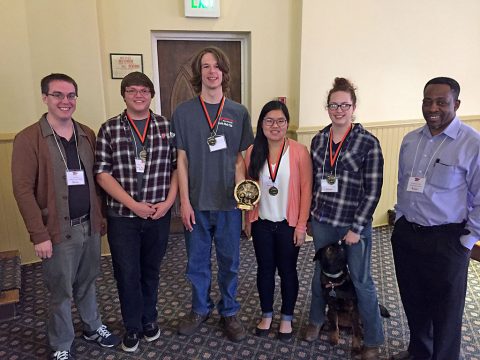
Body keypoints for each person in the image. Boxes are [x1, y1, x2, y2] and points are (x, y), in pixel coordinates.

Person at [11, 73, 120, 360]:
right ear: (44, 97)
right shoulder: (28, 139)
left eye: (71, 95)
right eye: (58, 95)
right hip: (57, 232)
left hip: (88, 226)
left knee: (88, 281)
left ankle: (93, 326)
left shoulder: (86, 134)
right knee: (61, 291)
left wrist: (101, 218)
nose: (65, 101)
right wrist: (39, 235)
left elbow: (96, 181)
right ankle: (61, 344)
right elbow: (23, 191)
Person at [390, 77, 480, 360]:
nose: (433, 108)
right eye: (428, 101)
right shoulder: (410, 140)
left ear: (457, 104)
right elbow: (404, 182)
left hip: (448, 240)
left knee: (446, 312)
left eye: (442, 102)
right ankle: (419, 352)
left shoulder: (472, 143)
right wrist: (401, 219)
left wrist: (467, 241)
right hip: (408, 235)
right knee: (414, 302)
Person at [171, 46, 254, 342]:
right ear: (199, 73)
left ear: (224, 72)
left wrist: (244, 199)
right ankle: (200, 308)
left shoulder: (238, 112)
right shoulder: (183, 113)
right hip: (197, 202)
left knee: (230, 262)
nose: (211, 71)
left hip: (229, 205)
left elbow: (238, 159)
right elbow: (181, 159)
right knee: (197, 263)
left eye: (216, 65)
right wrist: (184, 201)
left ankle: (229, 312)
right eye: (205, 66)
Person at [95, 72, 178, 352]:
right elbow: (102, 174)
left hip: (158, 215)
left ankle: (149, 320)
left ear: (152, 94)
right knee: (127, 273)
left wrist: (168, 203)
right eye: (132, 90)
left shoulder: (166, 127)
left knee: (151, 271)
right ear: (124, 95)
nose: (138, 95)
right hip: (123, 217)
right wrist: (133, 205)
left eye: (144, 90)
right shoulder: (109, 129)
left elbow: (177, 167)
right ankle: (132, 326)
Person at [305, 77, 385, 360]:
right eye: (334, 105)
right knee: (320, 275)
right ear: (327, 107)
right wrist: (309, 220)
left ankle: (373, 340)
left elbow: (373, 190)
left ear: (354, 107)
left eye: (345, 105)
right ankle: (316, 322)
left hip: (353, 226)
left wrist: (357, 227)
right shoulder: (319, 140)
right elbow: (313, 183)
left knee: (362, 281)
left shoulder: (367, 143)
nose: (339, 110)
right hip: (323, 221)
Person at [244, 100, 312, 341]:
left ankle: (286, 317)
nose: (275, 125)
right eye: (269, 120)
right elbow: (247, 189)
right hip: (262, 222)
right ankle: (266, 314)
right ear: (261, 123)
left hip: (288, 224)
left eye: (280, 121)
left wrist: (301, 225)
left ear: (287, 124)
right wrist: (248, 219)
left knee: (287, 271)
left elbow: (306, 190)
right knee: (264, 270)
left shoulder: (299, 151)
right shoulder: (253, 151)